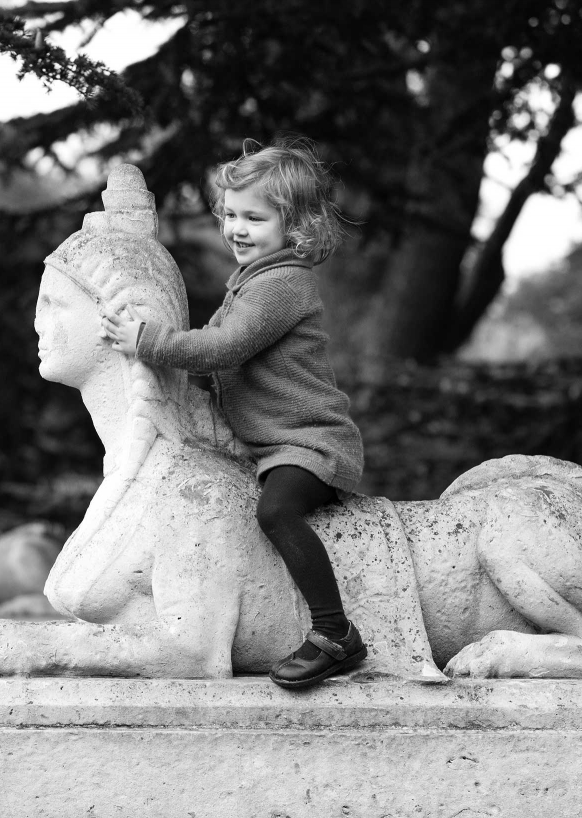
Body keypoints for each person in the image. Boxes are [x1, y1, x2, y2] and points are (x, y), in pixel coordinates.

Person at [101, 135, 367, 688]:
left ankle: (334, 632)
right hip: (268, 444)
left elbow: (224, 348)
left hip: (308, 443)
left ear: (295, 229)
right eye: (229, 214)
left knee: (276, 513)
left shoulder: (283, 285)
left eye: (255, 219)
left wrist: (148, 341)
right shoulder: (249, 283)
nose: (237, 229)